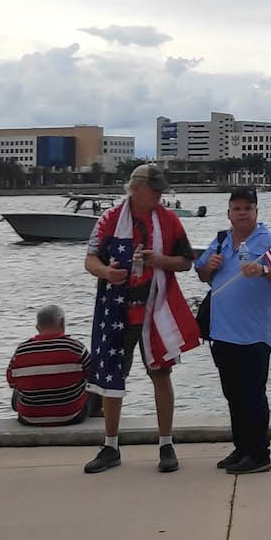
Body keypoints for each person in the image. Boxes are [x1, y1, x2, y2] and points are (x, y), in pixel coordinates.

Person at [82, 163, 200, 475]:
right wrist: (107, 272)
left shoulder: (169, 220)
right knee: (111, 375)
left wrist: (160, 260)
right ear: (136, 188)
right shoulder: (109, 219)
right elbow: (90, 259)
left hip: (155, 308)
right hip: (118, 309)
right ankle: (110, 445)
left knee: (161, 374)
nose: (160, 193)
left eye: (162, 188)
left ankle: (165, 443)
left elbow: (186, 262)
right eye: (155, 188)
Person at [199, 186, 271, 474]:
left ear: (256, 211)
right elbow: (201, 273)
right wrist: (209, 267)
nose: (242, 213)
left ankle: (260, 453)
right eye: (236, 208)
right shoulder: (220, 241)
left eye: (247, 208)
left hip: (254, 334)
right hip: (221, 332)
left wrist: (263, 271)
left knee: (253, 394)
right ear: (228, 212)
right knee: (233, 395)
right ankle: (241, 447)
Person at [5, 305, 90, 426]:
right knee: (92, 383)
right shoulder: (76, 347)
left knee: (18, 388)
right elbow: (93, 374)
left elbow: (11, 382)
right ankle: (96, 412)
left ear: (37, 327)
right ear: (62, 323)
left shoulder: (21, 350)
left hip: (30, 418)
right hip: (71, 415)